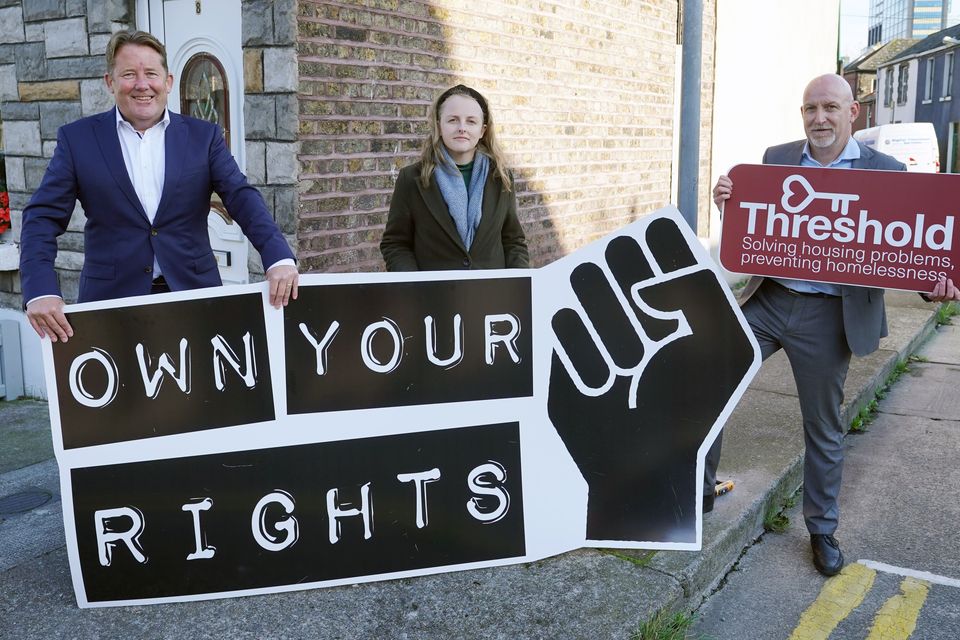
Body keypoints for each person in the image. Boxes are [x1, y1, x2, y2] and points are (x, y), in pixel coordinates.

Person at [709, 73, 959, 577]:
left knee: (822, 427)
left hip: (828, 316)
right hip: (768, 299)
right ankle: (693, 493)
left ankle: (822, 529)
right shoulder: (777, 156)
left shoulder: (885, 171)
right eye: (809, 109)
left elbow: (902, 246)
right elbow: (755, 222)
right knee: (710, 387)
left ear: (853, 114)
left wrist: (934, 283)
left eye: (828, 108)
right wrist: (728, 206)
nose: (818, 118)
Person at [20, 30, 298, 344]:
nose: (142, 84)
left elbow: (240, 196)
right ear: (110, 82)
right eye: (129, 74)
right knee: (126, 394)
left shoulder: (203, 136)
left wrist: (278, 258)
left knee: (201, 391)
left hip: (195, 298)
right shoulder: (77, 140)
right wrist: (40, 289)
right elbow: (42, 218)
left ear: (167, 81)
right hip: (111, 305)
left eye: (151, 74)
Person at [380, 84, 529, 271]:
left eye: (471, 121)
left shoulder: (501, 177)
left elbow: (513, 242)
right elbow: (395, 244)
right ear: (439, 126)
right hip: (433, 295)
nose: (462, 128)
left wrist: (517, 285)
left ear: (482, 131)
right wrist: (413, 287)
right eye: (452, 120)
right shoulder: (411, 178)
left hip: (492, 295)